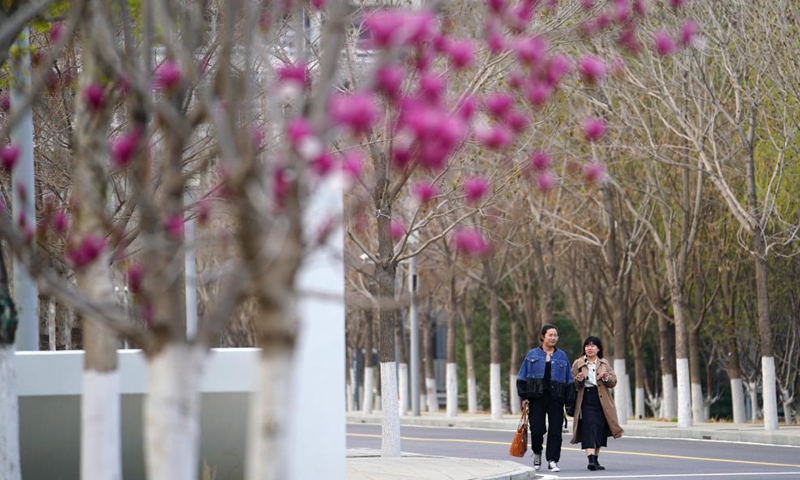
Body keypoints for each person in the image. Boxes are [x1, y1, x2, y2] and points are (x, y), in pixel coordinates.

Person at [517, 324, 574, 473]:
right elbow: (522, 376)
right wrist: (524, 397)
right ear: (543, 336)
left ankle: (553, 460)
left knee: (555, 430)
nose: (553, 338)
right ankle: (537, 453)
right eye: (550, 335)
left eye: (555, 335)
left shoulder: (562, 356)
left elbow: (569, 379)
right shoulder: (532, 355)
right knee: (537, 430)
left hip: (556, 398)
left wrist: (569, 401)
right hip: (536, 398)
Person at [571, 336, 624, 471]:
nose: (589, 348)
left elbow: (613, 382)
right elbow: (572, 383)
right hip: (585, 399)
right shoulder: (578, 363)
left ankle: (595, 459)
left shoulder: (604, 363)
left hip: (602, 399)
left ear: (598, 349)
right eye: (587, 345)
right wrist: (578, 379)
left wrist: (606, 377)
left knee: (600, 429)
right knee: (588, 428)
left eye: (593, 346)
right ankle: (591, 460)